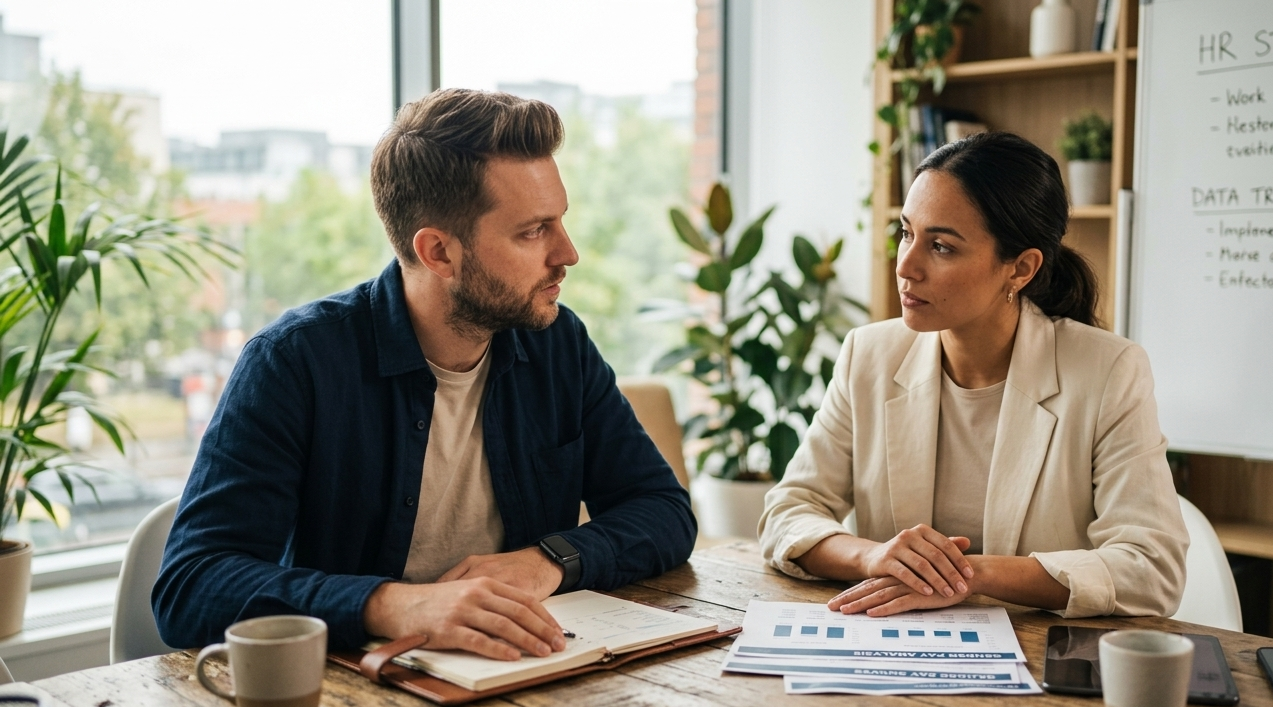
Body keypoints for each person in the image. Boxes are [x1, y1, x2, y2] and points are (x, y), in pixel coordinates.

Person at [153, 89, 697, 659]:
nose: (568, 252)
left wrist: (547, 561)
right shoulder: (294, 362)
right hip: (357, 686)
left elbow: (663, 511)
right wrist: (395, 605)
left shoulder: (557, 343)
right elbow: (191, 587)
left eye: (560, 221)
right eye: (533, 231)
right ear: (438, 252)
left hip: (517, 675)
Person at [758, 131, 1187, 619]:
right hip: (889, 647)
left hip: (1038, 658)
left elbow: (1152, 568)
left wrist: (965, 574)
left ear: (1020, 268)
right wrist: (872, 556)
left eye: (940, 246)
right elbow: (786, 513)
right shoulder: (869, 354)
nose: (907, 266)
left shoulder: (1109, 370)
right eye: (906, 233)